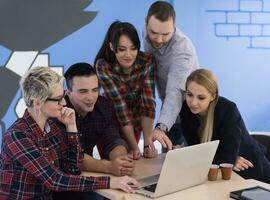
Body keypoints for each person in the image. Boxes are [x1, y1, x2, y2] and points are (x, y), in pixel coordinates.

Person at [0, 66, 139, 199]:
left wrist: (71, 127)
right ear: (37, 103)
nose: (64, 103)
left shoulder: (51, 129)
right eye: (58, 99)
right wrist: (110, 182)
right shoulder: (17, 135)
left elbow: (74, 169)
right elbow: (54, 179)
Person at [180, 68, 270, 183]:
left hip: (249, 165)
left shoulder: (228, 110)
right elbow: (197, 152)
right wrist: (227, 160)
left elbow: (227, 155)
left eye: (201, 97)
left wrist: (228, 159)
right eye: (189, 95)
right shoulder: (186, 110)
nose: (193, 102)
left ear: (213, 96)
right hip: (221, 169)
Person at [94, 21, 157, 159]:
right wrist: (135, 147)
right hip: (110, 123)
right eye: (122, 49)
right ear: (112, 46)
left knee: (137, 161)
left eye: (133, 48)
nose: (128, 54)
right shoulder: (103, 65)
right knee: (120, 161)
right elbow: (119, 106)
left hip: (135, 122)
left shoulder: (147, 61)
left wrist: (147, 143)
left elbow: (148, 103)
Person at [143, 1, 199, 150]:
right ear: (146, 23)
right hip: (167, 111)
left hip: (190, 113)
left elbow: (175, 93)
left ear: (173, 27)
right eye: (154, 33)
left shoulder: (183, 50)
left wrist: (160, 127)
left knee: (186, 164)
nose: (159, 39)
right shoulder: (145, 32)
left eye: (165, 34)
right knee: (166, 163)